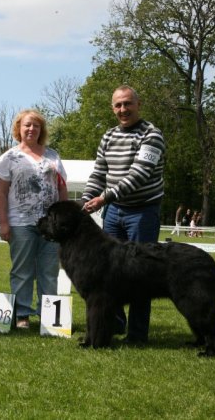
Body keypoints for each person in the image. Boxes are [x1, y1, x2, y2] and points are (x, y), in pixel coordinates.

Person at [81, 85, 165, 344]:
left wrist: (104, 197)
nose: (123, 109)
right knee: (109, 275)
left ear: (138, 105)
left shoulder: (152, 135)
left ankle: (138, 335)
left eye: (127, 104)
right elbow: (98, 174)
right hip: (113, 212)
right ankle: (113, 326)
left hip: (143, 212)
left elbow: (139, 175)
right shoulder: (108, 136)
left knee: (141, 275)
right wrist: (84, 202)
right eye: (118, 105)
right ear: (112, 107)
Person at [0, 109, 68, 329]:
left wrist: (64, 221)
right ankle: (22, 316)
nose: (31, 129)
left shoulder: (53, 156)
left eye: (36, 125)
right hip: (20, 223)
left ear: (41, 130)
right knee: (22, 271)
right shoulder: (8, 158)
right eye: (27, 125)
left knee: (49, 271)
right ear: (19, 128)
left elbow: (62, 188)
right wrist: (3, 223)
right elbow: (1, 193)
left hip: (51, 225)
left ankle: (49, 318)